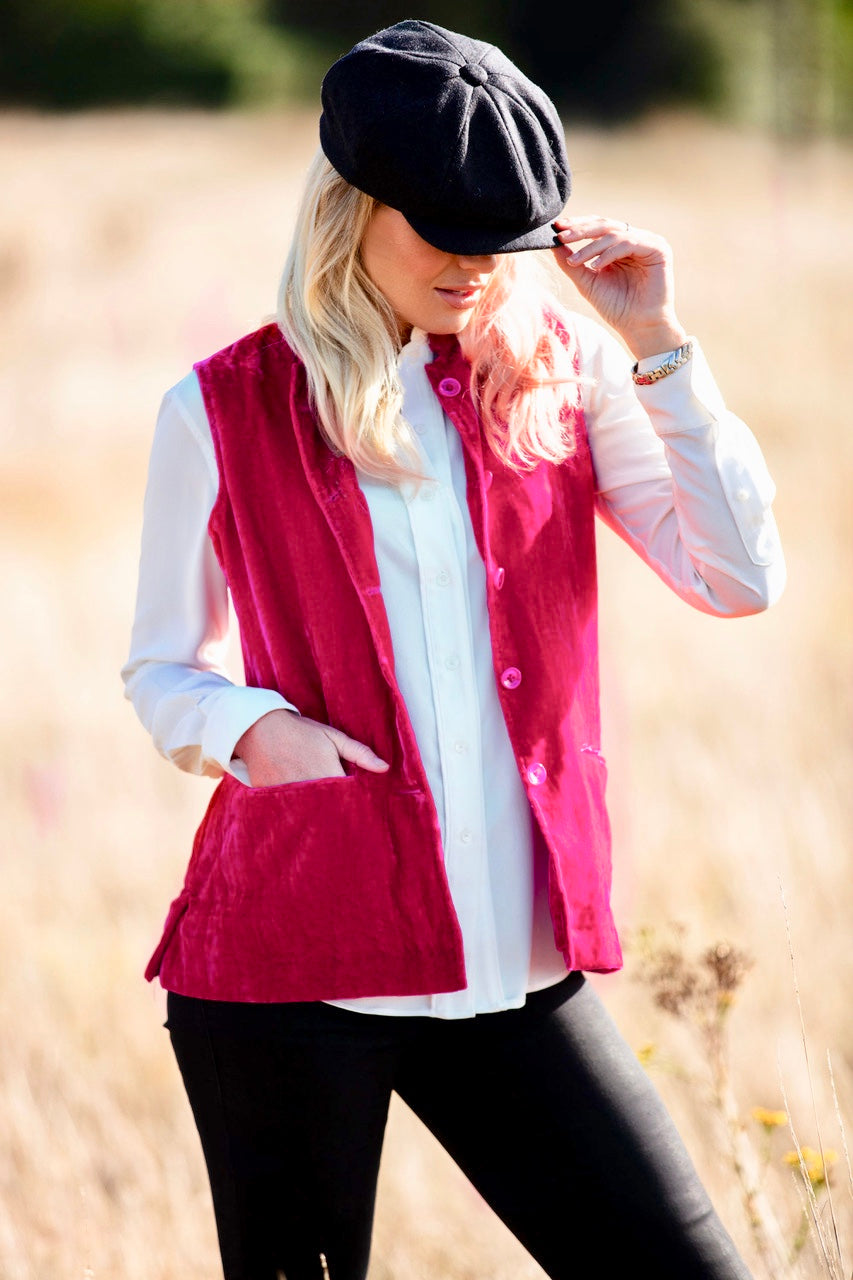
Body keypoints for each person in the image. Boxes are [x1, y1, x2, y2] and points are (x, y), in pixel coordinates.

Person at [123, 19, 784, 1280]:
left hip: (515, 974)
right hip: (291, 977)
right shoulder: (219, 407)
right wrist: (257, 735)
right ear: (352, 207)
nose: (477, 263)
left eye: (505, 235)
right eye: (444, 227)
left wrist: (657, 340)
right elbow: (162, 668)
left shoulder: (565, 374)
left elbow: (738, 576)